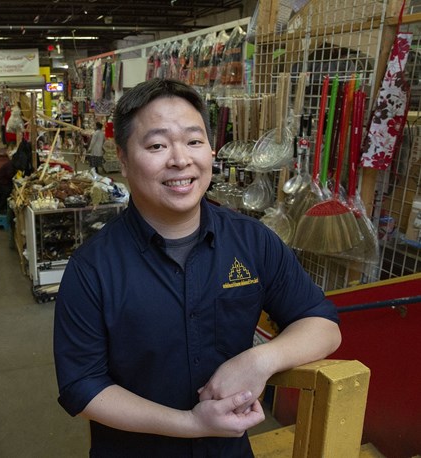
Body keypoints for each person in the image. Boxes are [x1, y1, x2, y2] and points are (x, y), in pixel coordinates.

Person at [53, 79, 341, 457]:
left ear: (210, 150)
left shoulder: (253, 242)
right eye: (157, 145)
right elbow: (82, 386)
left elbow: (323, 325)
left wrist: (260, 360)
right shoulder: (92, 268)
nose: (180, 160)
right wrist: (192, 424)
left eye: (193, 141)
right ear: (122, 158)